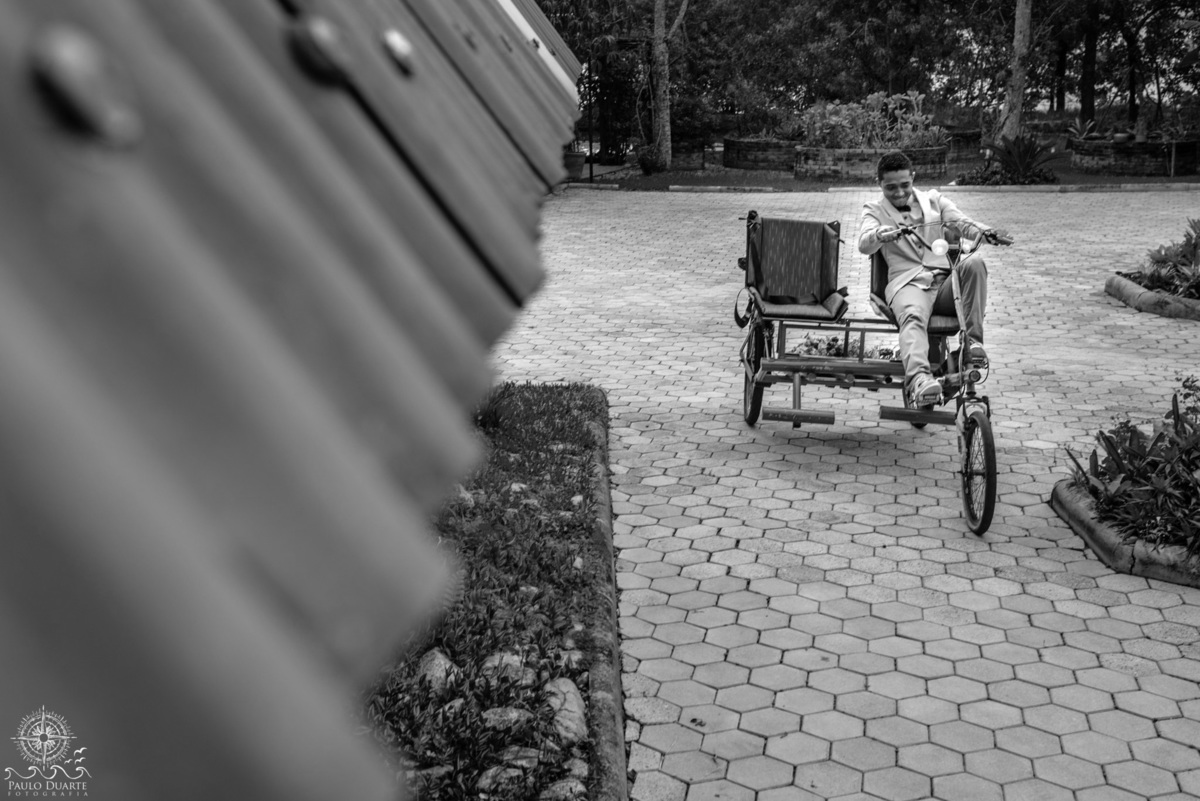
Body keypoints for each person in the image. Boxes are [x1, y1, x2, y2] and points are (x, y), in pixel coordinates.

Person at [857, 151, 1010, 405]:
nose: (898, 193)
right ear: (879, 184)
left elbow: (962, 223)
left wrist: (987, 233)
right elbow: (864, 242)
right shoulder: (873, 210)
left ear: (913, 178)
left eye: (905, 185)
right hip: (908, 285)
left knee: (974, 263)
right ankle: (919, 380)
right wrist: (880, 234)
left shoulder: (934, 200)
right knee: (913, 316)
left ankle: (971, 345)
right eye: (890, 187)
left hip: (945, 284)